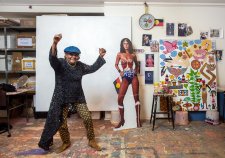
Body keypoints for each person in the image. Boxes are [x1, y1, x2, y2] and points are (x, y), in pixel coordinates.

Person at [38, 33, 106, 153]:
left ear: (78, 57)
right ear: (65, 55)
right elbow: (52, 58)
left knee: (87, 118)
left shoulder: (80, 66)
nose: (73, 57)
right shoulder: (60, 64)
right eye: (70, 54)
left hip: (78, 97)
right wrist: (55, 43)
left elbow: (93, 68)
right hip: (62, 97)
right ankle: (66, 142)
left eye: (75, 55)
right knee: (61, 123)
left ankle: (91, 140)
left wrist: (100, 56)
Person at [114, 38, 141, 128]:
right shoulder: (119, 54)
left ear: (129, 45)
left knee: (136, 97)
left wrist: (136, 71)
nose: (126, 45)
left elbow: (137, 65)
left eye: (127, 43)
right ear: (122, 45)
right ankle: (122, 120)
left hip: (133, 76)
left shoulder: (133, 55)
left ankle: (138, 121)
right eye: (124, 43)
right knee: (120, 98)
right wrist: (120, 71)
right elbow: (116, 64)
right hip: (125, 76)